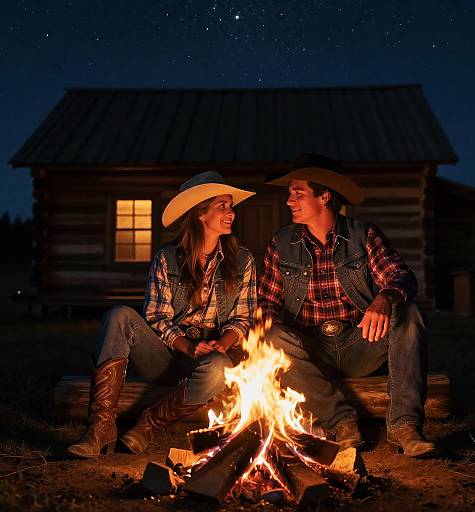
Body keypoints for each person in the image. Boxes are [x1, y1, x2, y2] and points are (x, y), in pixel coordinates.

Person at [68, 171, 257, 458]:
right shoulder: (167, 257)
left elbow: (243, 317)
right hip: (167, 354)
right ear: (200, 214)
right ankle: (101, 427)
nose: (231, 212)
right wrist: (187, 346)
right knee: (119, 315)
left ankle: (148, 425)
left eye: (231, 206)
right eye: (222, 205)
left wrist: (223, 344)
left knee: (217, 367)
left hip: (208, 359)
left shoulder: (242, 260)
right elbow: (155, 316)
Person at [258, 153, 435, 457]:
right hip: (311, 351)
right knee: (271, 336)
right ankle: (341, 423)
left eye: (297, 192)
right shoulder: (281, 242)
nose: (289, 200)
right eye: (290, 193)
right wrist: (271, 334)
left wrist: (385, 297)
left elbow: (400, 276)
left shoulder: (363, 235)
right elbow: (268, 302)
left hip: (361, 342)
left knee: (408, 312)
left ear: (324, 196)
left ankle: (405, 426)